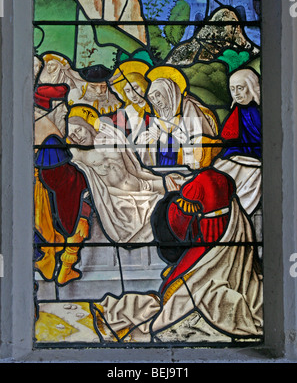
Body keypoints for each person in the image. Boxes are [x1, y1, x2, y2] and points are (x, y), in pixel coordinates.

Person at [92, 142, 263, 342]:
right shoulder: (214, 188)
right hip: (214, 240)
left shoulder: (210, 193)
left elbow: (192, 221)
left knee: (188, 294)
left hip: (211, 249)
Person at [67, 104, 176, 243]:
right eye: (72, 136)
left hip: (141, 185)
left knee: (181, 184)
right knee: (168, 206)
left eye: (78, 130)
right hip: (121, 201)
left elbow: (136, 171)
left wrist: (161, 180)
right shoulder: (77, 154)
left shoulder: (112, 136)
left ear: (86, 125)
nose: (77, 137)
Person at [34, 85, 93, 285]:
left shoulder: (41, 128)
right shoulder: (50, 137)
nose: (66, 113)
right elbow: (56, 177)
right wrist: (83, 177)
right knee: (80, 221)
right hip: (41, 198)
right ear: (54, 108)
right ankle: (63, 270)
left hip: (37, 190)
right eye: (64, 108)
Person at [137, 66, 219, 167]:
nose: (156, 101)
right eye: (152, 98)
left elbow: (196, 140)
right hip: (163, 165)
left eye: (158, 95)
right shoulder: (160, 114)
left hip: (187, 165)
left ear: (169, 92)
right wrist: (147, 137)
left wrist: (163, 138)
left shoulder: (187, 107)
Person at [214, 67, 261, 215]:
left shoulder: (260, 112)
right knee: (219, 168)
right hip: (239, 156)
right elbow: (229, 140)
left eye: (240, 88)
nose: (236, 93)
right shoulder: (237, 111)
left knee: (248, 174)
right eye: (233, 89)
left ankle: (236, 209)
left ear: (252, 87)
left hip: (257, 159)